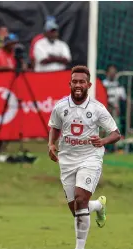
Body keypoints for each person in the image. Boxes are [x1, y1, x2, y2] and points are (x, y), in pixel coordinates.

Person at [48, 65, 121, 249]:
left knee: (81, 201)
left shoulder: (97, 108)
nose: (78, 85)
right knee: (77, 210)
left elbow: (116, 133)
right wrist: (51, 144)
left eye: (82, 82)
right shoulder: (60, 106)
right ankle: (98, 206)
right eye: (75, 82)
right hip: (67, 160)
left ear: (88, 84)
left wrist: (103, 141)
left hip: (90, 158)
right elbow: (55, 127)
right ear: (70, 84)